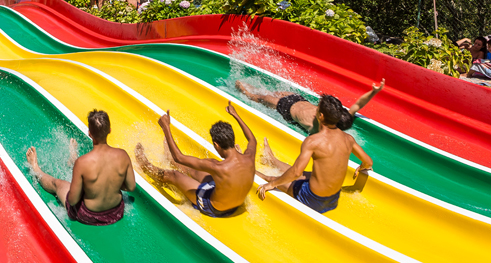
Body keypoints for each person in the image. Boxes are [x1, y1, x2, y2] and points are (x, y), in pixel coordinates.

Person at [135, 101, 256, 218]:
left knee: (174, 175)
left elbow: (179, 157)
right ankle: (169, 158)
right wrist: (236, 115)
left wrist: (166, 127)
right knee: (193, 169)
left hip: (214, 207)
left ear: (216, 145)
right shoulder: (249, 156)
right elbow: (252, 139)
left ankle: (146, 165)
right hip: (234, 205)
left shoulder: (218, 166)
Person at [256, 94, 373, 214]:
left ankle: (253, 172)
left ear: (320, 116)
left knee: (273, 179)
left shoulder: (313, 141)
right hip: (333, 200)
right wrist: (363, 166)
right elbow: (368, 162)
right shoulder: (348, 139)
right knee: (306, 175)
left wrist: (272, 184)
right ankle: (272, 161)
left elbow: (296, 172)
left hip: (311, 199)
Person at [26, 110, 135, 226]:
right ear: (109, 131)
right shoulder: (123, 155)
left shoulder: (82, 162)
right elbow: (131, 187)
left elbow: (72, 200)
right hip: (115, 212)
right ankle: (74, 159)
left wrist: (90, 188)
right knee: (86, 170)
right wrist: (111, 183)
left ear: (89, 133)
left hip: (89, 216)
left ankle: (36, 168)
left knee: (57, 184)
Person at [236, 79, 385, 134]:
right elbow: (358, 104)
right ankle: (253, 90)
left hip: (286, 109)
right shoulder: (334, 114)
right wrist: (374, 91)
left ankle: (245, 92)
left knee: (263, 98)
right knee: (273, 93)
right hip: (298, 99)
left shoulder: (318, 127)